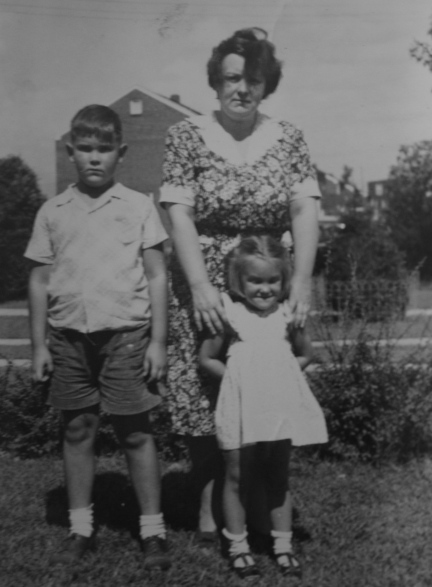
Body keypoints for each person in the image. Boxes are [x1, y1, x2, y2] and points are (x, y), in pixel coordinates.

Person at [159, 27, 321, 544]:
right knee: (206, 381)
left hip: (266, 278)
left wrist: (302, 282)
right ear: (216, 81)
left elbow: (303, 208)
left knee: (263, 376)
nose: (241, 89)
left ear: (265, 83)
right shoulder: (186, 136)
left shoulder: (289, 137)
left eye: (252, 79)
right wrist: (202, 286)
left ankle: (257, 498)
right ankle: (213, 496)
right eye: (232, 78)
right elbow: (178, 213)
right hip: (203, 276)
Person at [25, 105, 171, 570]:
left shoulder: (137, 206)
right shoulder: (53, 211)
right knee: (77, 429)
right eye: (85, 148)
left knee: (135, 432)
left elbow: (156, 276)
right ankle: (81, 526)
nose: (94, 158)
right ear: (71, 152)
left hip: (127, 337)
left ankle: (151, 529)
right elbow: (39, 282)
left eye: (104, 149)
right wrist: (38, 345)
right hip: (69, 339)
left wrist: (158, 342)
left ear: (121, 153)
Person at [199, 235, 328, 578]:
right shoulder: (230, 313)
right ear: (239, 281)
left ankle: (283, 546)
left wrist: (280, 379)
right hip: (240, 406)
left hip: (277, 407)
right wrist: (238, 381)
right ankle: (238, 547)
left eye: (273, 280)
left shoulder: (288, 314)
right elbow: (206, 358)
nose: (265, 288)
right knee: (238, 474)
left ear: (284, 281)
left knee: (277, 475)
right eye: (255, 280)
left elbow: (306, 354)